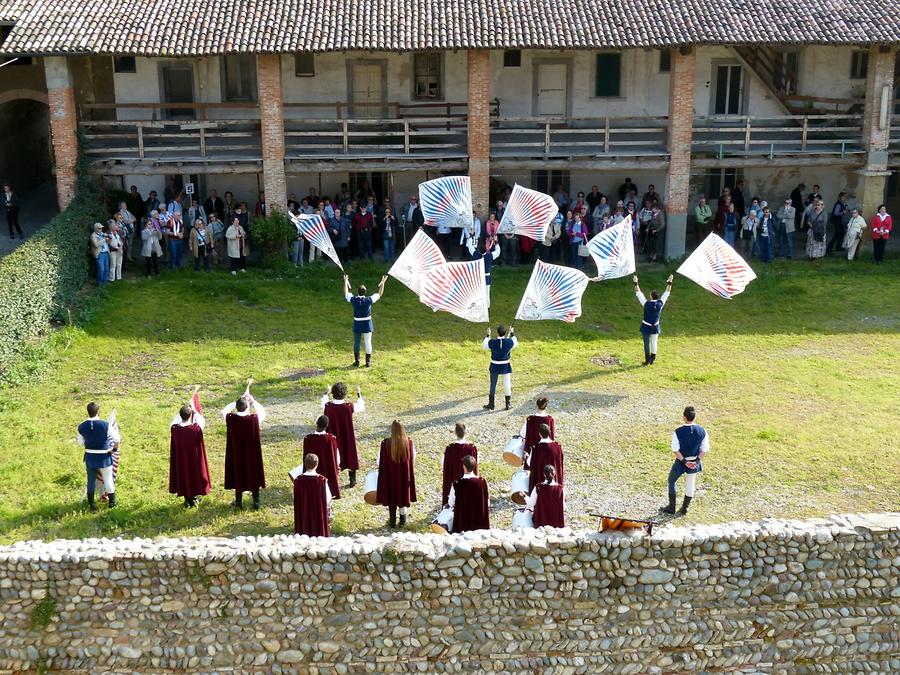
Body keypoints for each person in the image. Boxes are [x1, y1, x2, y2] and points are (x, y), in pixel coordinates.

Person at [222, 390, 267, 510]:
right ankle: (256, 502)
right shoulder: (254, 419)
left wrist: (237, 401)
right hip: (251, 454)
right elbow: (262, 412)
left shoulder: (231, 419)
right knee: (253, 474)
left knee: (238, 474)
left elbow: (225, 410)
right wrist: (252, 401)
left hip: (237, 454)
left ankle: (238, 503)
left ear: (237, 408)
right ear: (247, 406)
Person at [660, 406, 709, 516]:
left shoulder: (678, 431)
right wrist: (696, 461)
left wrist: (685, 462)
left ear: (684, 417)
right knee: (690, 484)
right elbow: (704, 449)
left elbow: (675, 449)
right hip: (695, 461)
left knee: (672, 480)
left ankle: (671, 507)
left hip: (681, 461)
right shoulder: (702, 431)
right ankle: (684, 508)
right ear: (694, 417)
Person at [320, 382, 365, 487]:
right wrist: (359, 394)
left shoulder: (328, 406)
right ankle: (352, 479)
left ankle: (333, 481)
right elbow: (361, 406)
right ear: (345, 394)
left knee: (332, 456)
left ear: (333, 394)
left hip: (333, 437)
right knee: (350, 454)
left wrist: (326, 392)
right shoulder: (348, 406)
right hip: (347, 436)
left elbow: (323, 402)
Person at [77, 402, 119, 511]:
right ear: (98, 411)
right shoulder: (105, 425)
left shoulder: (82, 426)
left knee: (90, 480)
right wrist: (114, 449)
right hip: (104, 456)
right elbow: (117, 439)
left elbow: (80, 442)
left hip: (90, 456)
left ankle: (91, 504)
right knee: (108, 479)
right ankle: (112, 502)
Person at [168, 401, 211, 508]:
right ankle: (194, 498)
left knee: (184, 476)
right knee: (194, 476)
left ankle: (187, 499)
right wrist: (194, 411)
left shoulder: (174, 428)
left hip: (181, 459)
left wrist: (186, 410)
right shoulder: (196, 428)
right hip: (194, 459)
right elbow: (201, 420)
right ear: (191, 416)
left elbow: (175, 420)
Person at [376, 420, 417, 528]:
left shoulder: (385, 443)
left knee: (391, 495)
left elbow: (379, 461)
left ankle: (392, 520)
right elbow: (413, 458)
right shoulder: (409, 442)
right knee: (403, 495)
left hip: (390, 475)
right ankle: (403, 519)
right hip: (403, 476)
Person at [344, 273, 387, 368]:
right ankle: (368, 363)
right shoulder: (368, 300)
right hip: (367, 324)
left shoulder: (354, 300)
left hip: (357, 323)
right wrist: (383, 282)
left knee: (357, 343)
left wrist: (345, 281)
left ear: (358, 292)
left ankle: (357, 361)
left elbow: (346, 293)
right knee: (368, 342)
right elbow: (380, 293)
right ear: (365, 292)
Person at [633, 273, 673, 365]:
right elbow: (667, 293)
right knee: (654, 342)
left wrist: (635, 283)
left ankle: (647, 360)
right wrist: (670, 282)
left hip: (646, 326)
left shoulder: (646, 303)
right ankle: (652, 359)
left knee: (646, 344)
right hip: (655, 326)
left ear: (651, 296)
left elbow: (639, 293)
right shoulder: (660, 304)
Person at [290, 454, 331, 537]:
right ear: (317, 464)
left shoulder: (298, 480)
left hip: (303, 514)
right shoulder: (322, 480)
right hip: (318, 514)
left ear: (305, 464)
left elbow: (294, 497)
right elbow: (328, 499)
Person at [446, 455, 489, 533]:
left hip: (462, 524)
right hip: (479, 524)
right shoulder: (482, 482)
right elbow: (487, 503)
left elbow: (451, 503)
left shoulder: (457, 484)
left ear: (464, 466)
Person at [303, 415, 341, 500]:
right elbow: (336, 456)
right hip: (328, 470)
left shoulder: (308, 438)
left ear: (316, 423)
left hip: (311, 469)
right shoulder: (331, 439)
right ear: (327, 426)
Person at [482, 324, 517, 411]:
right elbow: (516, 343)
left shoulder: (492, 342)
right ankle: (508, 404)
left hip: (494, 365)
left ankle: (491, 404)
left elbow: (484, 345)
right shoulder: (509, 342)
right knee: (507, 384)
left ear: (497, 332)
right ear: (505, 333)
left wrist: (488, 335)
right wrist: (512, 333)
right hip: (505, 366)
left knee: (493, 384)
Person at [441, 422, 478, 506]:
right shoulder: (471, 449)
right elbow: (475, 463)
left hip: (453, 480)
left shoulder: (449, 448)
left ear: (455, 433)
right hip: (468, 482)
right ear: (466, 432)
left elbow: (443, 463)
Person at [525, 464, 565, 529]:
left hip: (541, 524)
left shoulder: (538, 487)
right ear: (554, 474)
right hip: (556, 524)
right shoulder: (560, 489)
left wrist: (524, 496)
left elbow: (530, 504)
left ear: (544, 474)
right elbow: (563, 507)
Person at [520, 397, 555, 470]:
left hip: (533, 451)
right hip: (546, 450)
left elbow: (523, 433)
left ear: (536, 406)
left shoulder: (531, 419)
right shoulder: (550, 419)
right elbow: (552, 434)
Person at [527, 424, 564, 493]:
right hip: (554, 485)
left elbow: (529, 463)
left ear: (539, 434)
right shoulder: (558, 447)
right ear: (550, 432)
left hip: (540, 484)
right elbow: (560, 465)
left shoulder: (536, 448)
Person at [468, 239, 501, 307]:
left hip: (478, 277)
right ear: (486, 249)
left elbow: (470, 247)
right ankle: (487, 306)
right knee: (486, 293)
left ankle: (477, 305)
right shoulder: (489, 256)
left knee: (477, 292)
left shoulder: (475, 255)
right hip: (486, 278)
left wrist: (471, 237)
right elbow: (498, 252)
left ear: (478, 250)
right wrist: (496, 242)